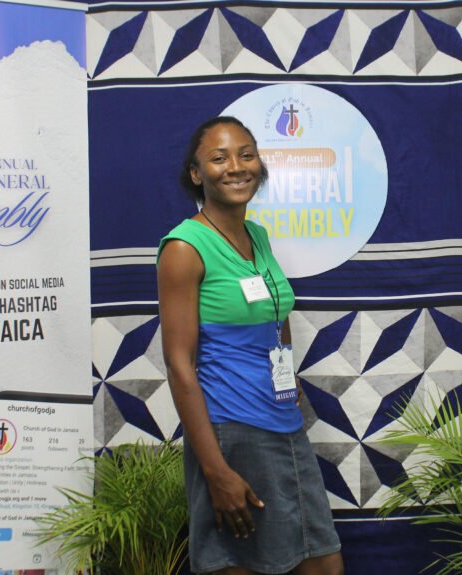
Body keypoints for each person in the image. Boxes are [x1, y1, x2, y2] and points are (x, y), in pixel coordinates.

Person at [157, 117, 343, 575]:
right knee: (241, 566)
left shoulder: (256, 235)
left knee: (322, 563)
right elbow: (180, 366)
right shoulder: (184, 247)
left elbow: (275, 314)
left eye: (246, 154)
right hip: (230, 431)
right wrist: (215, 471)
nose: (236, 167)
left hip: (284, 421)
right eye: (219, 158)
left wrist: (285, 371)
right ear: (197, 173)